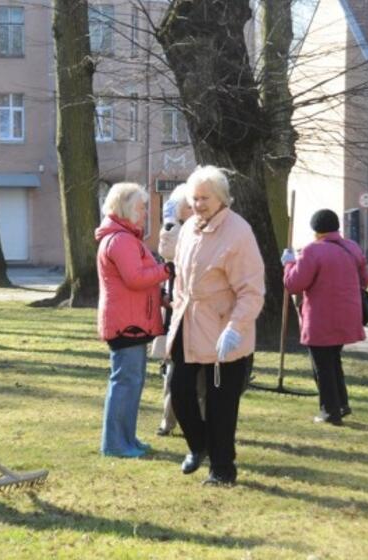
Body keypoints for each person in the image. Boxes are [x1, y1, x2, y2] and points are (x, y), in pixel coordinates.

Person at [166, 165, 265, 486]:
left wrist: (235, 328)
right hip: (188, 323)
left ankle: (222, 470)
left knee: (221, 405)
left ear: (221, 198)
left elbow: (251, 291)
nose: (198, 204)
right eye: (194, 198)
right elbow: (180, 279)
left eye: (205, 198)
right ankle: (199, 445)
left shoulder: (238, 232)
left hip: (224, 329)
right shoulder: (188, 229)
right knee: (179, 391)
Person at [95, 183, 171, 458]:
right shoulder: (121, 240)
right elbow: (136, 278)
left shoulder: (125, 237)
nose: (145, 213)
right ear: (126, 208)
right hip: (126, 323)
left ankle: (126, 438)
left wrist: (161, 296)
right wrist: (167, 270)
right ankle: (116, 443)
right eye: (141, 207)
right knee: (126, 382)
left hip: (131, 320)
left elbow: (139, 278)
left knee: (131, 382)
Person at [282, 209, 368, 426]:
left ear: (315, 229)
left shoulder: (312, 251)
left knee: (322, 365)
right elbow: (365, 280)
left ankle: (330, 411)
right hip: (348, 315)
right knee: (333, 360)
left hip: (320, 317)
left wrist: (289, 263)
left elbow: (293, 284)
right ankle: (341, 403)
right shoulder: (352, 247)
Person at [154, 183, 205, 438]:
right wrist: (173, 222)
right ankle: (168, 420)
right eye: (190, 204)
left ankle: (202, 419)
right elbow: (168, 251)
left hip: (203, 311)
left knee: (203, 373)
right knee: (175, 371)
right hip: (178, 308)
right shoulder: (174, 230)